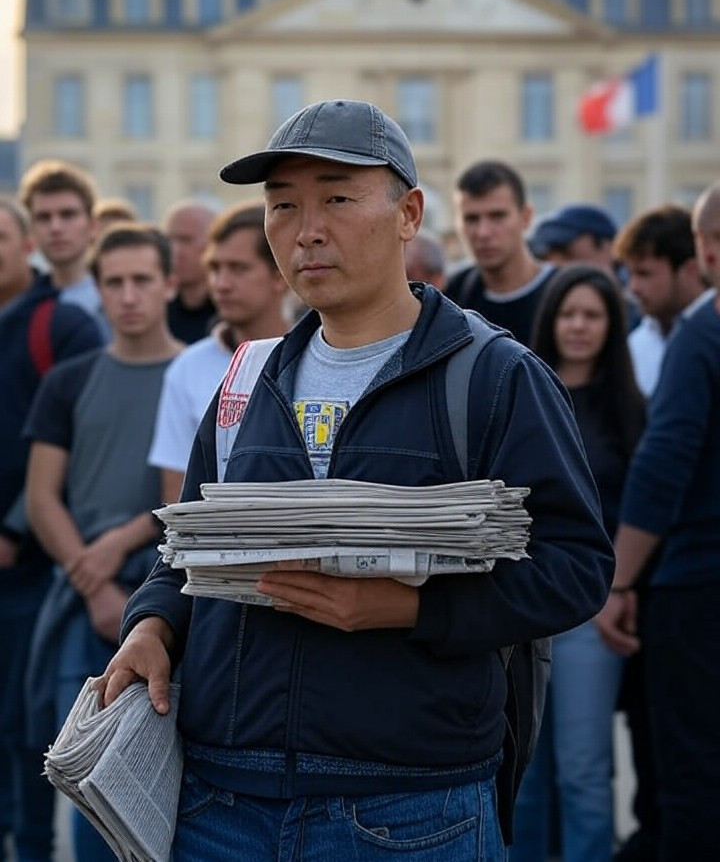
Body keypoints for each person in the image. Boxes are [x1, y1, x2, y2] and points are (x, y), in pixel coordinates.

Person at [98, 99, 613, 862]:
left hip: (409, 808)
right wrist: (151, 624)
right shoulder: (246, 379)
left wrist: (410, 609)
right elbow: (188, 547)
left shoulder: (495, 378)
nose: (306, 228)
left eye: (336, 198)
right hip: (221, 801)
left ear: (409, 214)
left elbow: (575, 569)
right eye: (283, 206)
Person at [24, 224, 183, 862]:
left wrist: (125, 544)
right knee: (87, 783)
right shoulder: (68, 380)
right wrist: (93, 579)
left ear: (170, 283)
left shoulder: (202, 371)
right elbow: (42, 497)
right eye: (113, 282)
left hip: (168, 593)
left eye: (142, 279)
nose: (129, 296)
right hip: (80, 597)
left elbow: (194, 493)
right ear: (97, 289)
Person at [596, 182, 720, 862]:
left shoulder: (703, 332)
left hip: (696, 590)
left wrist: (618, 582)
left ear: (700, 252)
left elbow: (664, 464)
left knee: (692, 775)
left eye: (644, 272)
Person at [510, 264, 645, 862]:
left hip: (594, 608)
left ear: (611, 326)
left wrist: (625, 586)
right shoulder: (525, 395)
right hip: (524, 603)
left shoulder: (629, 410)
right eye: (569, 314)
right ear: (551, 321)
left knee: (585, 771)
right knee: (528, 771)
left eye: (593, 315)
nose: (580, 326)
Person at [0, 196, 103, 862]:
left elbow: (77, 443)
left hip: (34, 568)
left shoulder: (59, 324)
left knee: (29, 727)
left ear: (24, 243)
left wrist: (12, 531)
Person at [149, 202, 289, 503]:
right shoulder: (187, 368)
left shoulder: (320, 358)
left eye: (238, 269)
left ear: (279, 276)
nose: (222, 284)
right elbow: (176, 495)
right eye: (215, 268)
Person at [445, 160, 555, 346]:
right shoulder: (450, 299)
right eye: (471, 219)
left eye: (497, 216)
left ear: (526, 217)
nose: (483, 232)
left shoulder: (565, 296)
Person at [615, 205, 709, 397]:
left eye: (644, 274)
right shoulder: (635, 346)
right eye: (630, 274)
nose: (633, 287)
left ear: (690, 270)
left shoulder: (712, 338)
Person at [18, 159, 110, 338]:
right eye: (44, 217)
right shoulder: (21, 311)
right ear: (32, 229)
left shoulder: (125, 296)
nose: (56, 228)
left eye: (68, 215)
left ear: (92, 225)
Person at [164, 199, 218, 343]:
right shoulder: (159, 310)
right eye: (170, 240)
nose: (174, 250)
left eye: (185, 240)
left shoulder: (230, 310)